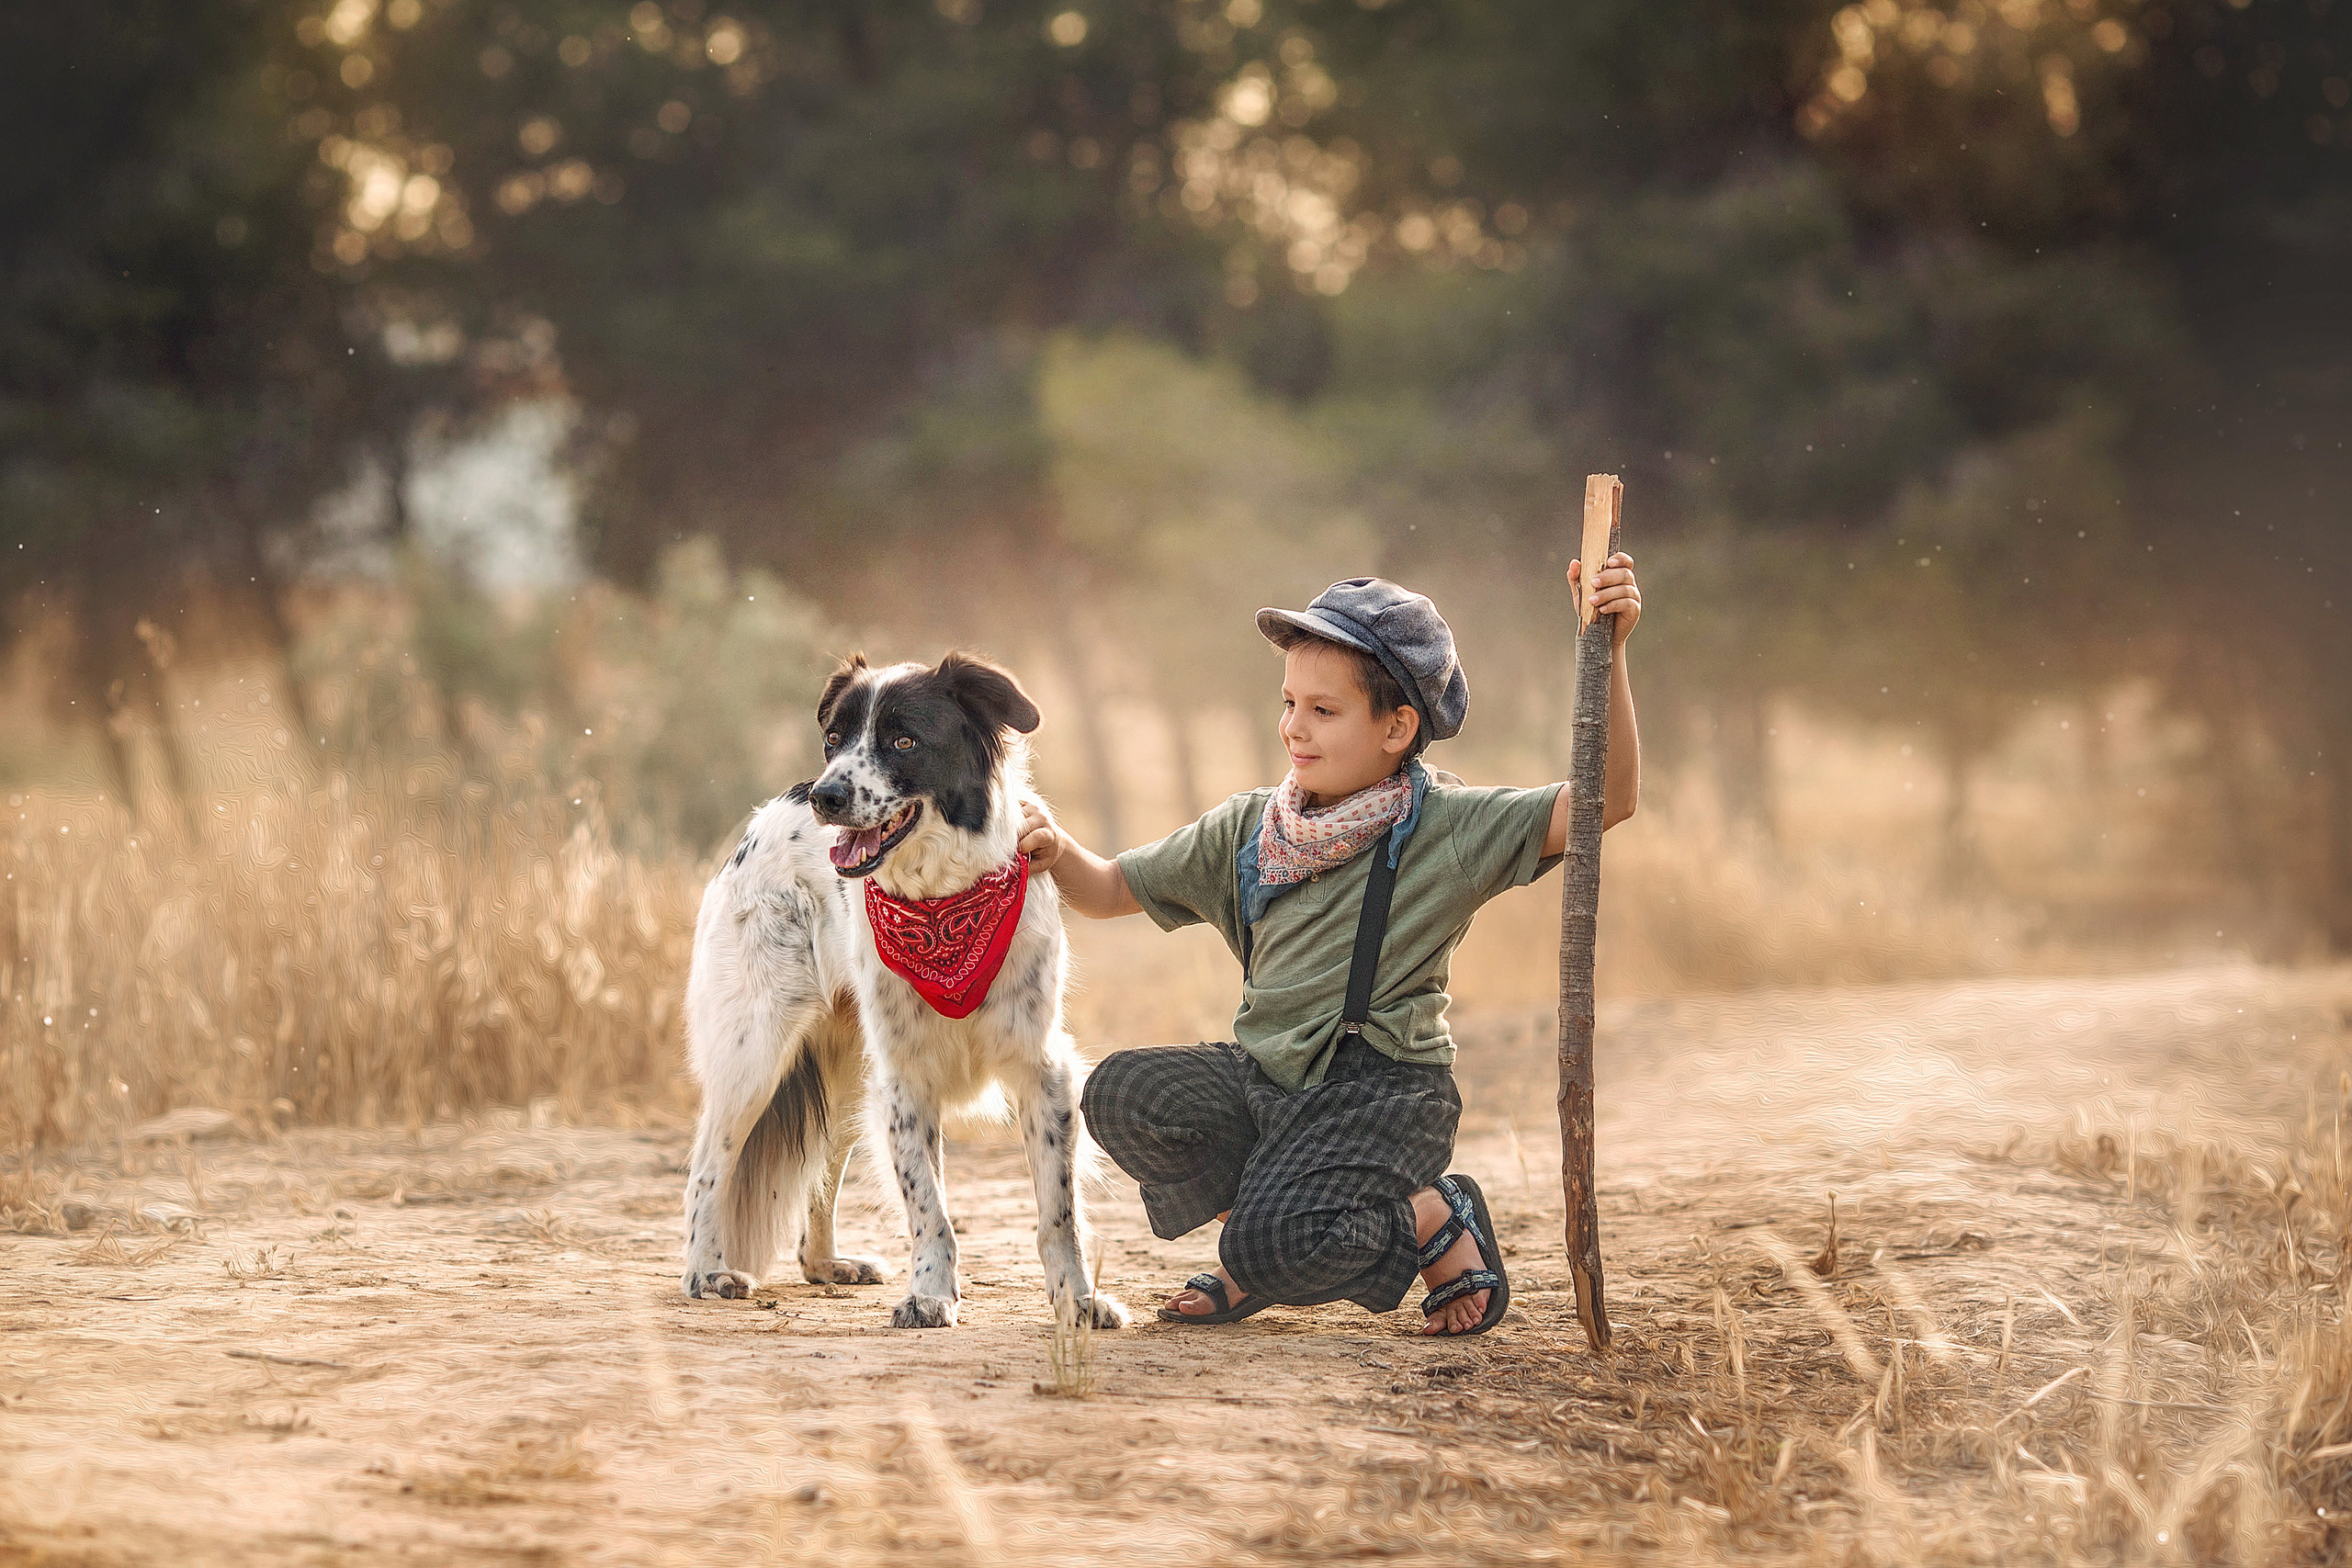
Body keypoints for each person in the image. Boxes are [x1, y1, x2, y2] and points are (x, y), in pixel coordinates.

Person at [1018, 556, 1642, 1337]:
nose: (1293, 726)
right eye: (1287, 702)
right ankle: (1276, 1225)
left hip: (1382, 1092)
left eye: (1323, 708)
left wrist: (1608, 649)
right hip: (1267, 1082)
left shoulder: (1445, 828)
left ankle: (1424, 1217)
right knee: (1119, 1092)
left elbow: (1606, 799)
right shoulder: (1251, 828)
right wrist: (1052, 845)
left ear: (1396, 727)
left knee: (1272, 1241)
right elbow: (1109, 888)